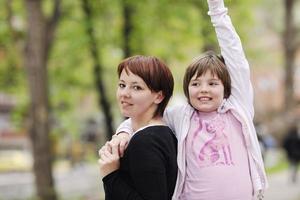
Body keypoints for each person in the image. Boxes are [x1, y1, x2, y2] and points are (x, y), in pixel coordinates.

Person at [112, 0, 269, 199]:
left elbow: (236, 57)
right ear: (187, 88)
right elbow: (141, 120)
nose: (203, 90)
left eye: (212, 84)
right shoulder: (180, 116)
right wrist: (123, 134)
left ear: (226, 88)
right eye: (195, 84)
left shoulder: (238, 108)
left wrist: (217, 9)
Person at [98, 55, 178, 200]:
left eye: (137, 87)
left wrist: (110, 175)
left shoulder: (146, 142)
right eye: (122, 85)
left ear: (159, 96)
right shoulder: (162, 133)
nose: (124, 94)